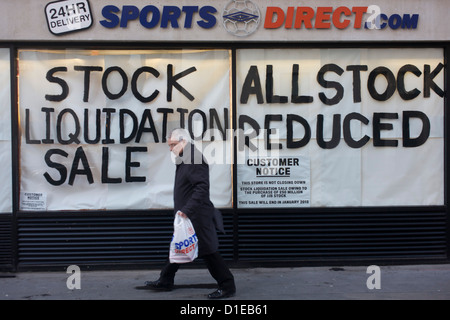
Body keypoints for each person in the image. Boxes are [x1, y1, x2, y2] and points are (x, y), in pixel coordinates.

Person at [145, 128, 236, 299]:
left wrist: (187, 210)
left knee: (208, 251)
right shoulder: (186, 157)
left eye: (173, 144)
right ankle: (165, 280)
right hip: (188, 214)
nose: (170, 148)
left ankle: (227, 286)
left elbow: (202, 188)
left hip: (196, 215)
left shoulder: (193, 158)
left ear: (183, 141)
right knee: (178, 245)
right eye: (169, 145)